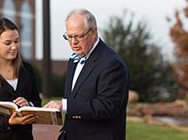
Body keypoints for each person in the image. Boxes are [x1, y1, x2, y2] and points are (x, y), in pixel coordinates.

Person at [44, 9, 130, 140]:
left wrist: (66, 106)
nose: (73, 42)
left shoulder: (112, 63)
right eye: (69, 36)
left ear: (94, 32)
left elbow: (108, 107)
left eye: (78, 36)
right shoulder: (73, 60)